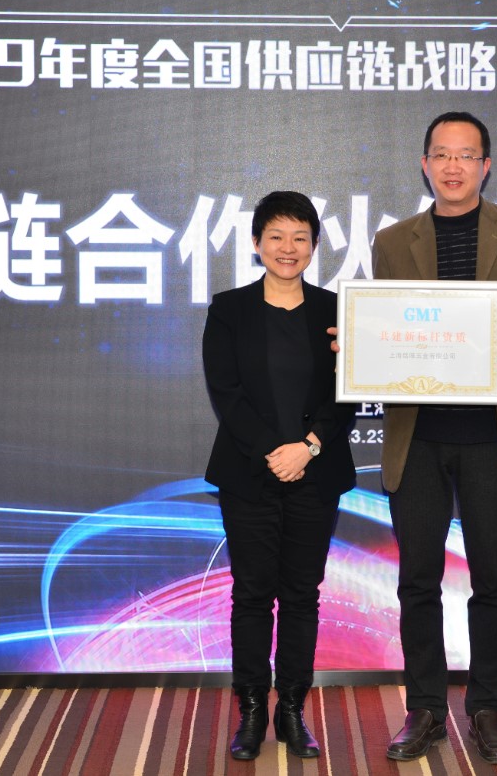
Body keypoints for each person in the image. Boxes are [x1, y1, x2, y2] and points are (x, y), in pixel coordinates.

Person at [374, 112, 497, 765]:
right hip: (418, 437)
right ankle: (425, 709)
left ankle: (488, 707)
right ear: (424, 165)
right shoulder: (392, 241)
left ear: (485, 166)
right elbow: (384, 327)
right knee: (417, 580)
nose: (453, 166)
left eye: (466, 155)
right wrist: (363, 348)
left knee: (492, 579)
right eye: (441, 154)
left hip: (491, 434)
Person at [201, 190, 356, 761]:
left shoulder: (337, 310)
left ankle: (292, 709)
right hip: (249, 474)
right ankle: (250, 712)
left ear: (314, 245)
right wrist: (276, 450)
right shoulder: (229, 309)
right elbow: (227, 393)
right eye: (276, 237)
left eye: (300, 238)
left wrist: (308, 447)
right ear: (256, 243)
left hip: (316, 473)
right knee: (250, 594)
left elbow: (350, 391)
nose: (288, 248)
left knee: (300, 595)